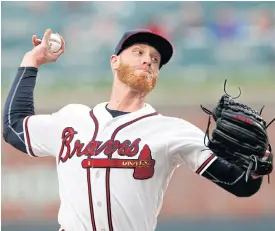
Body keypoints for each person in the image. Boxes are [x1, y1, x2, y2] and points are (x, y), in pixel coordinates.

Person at [3, 28, 270, 231]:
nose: (148, 61)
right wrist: (31, 61)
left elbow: (241, 185)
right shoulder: (72, 119)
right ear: (114, 61)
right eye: (139, 52)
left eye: (155, 59)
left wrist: (259, 166)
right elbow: (13, 127)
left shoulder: (172, 131)